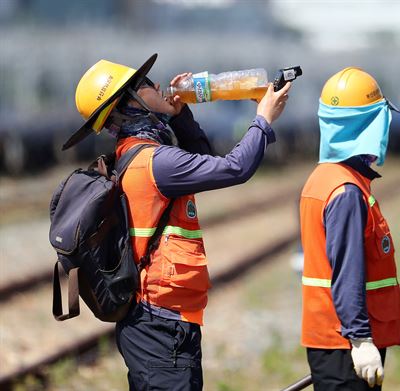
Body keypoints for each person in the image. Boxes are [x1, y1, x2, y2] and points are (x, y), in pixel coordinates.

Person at [65, 53, 291, 390]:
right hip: (159, 323)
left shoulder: (134, 153)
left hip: (156, 320)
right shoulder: (155, 162)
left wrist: (180, 115)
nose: (158, 86)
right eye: (146, 85)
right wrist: (263, 120)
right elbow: (233, 168)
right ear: (133, 103)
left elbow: (204, 159)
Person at [299, 67, 400, 391]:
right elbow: (347, 270)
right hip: (345, 343)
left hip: (334, 338)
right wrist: (360, 340)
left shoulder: (325, 178)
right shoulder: (345, 191)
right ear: (368, 125)